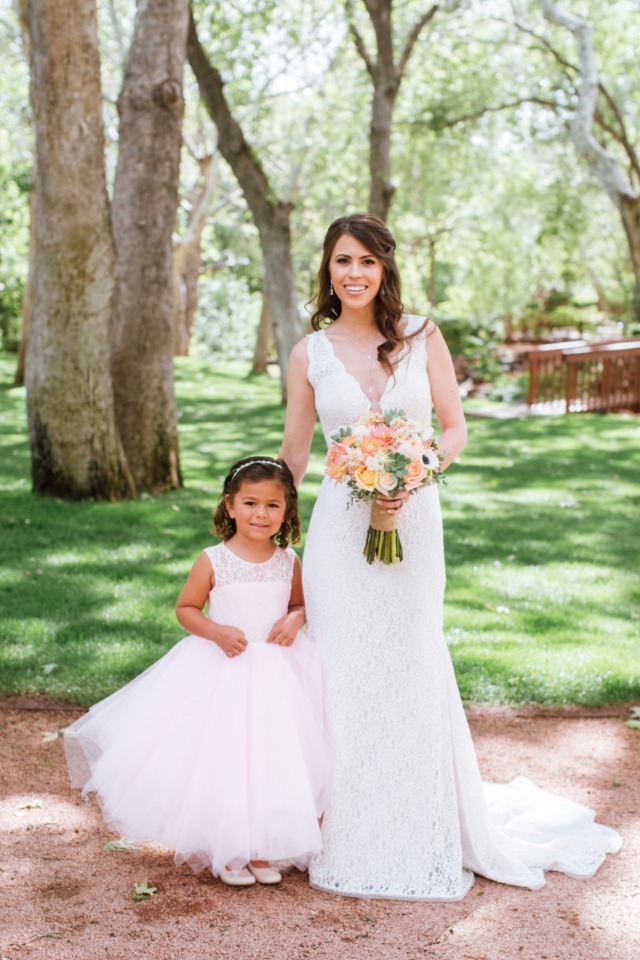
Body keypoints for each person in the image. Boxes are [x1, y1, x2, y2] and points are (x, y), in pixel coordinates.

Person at [279, 212, 621, 901]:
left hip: (416, 520)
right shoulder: (308, 353)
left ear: (385, 269)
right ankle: (342, 820)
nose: (354, 274)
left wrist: (414, 473)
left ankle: (422, 817)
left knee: (409, 657)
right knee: (342, 667)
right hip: (339, 530)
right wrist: (261, 537)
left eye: (367, 262)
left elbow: (454, 425)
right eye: (342, 261)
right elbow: (293, 453)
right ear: (327, 268)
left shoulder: (420, 337)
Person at [64, 457, 332, 888]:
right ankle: (229, 848)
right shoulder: (213, 560)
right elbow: (186, 608)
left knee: (271, 758)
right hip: (223, 670)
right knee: (226, 760)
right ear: (229, 506)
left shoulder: (289, 561)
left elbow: (299, 603)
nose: (260, 514)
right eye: (249, 503)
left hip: (277, 678)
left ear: (287, 511)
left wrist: (296, 618)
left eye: (272, 506)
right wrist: (216, 631)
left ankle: (262, 847)